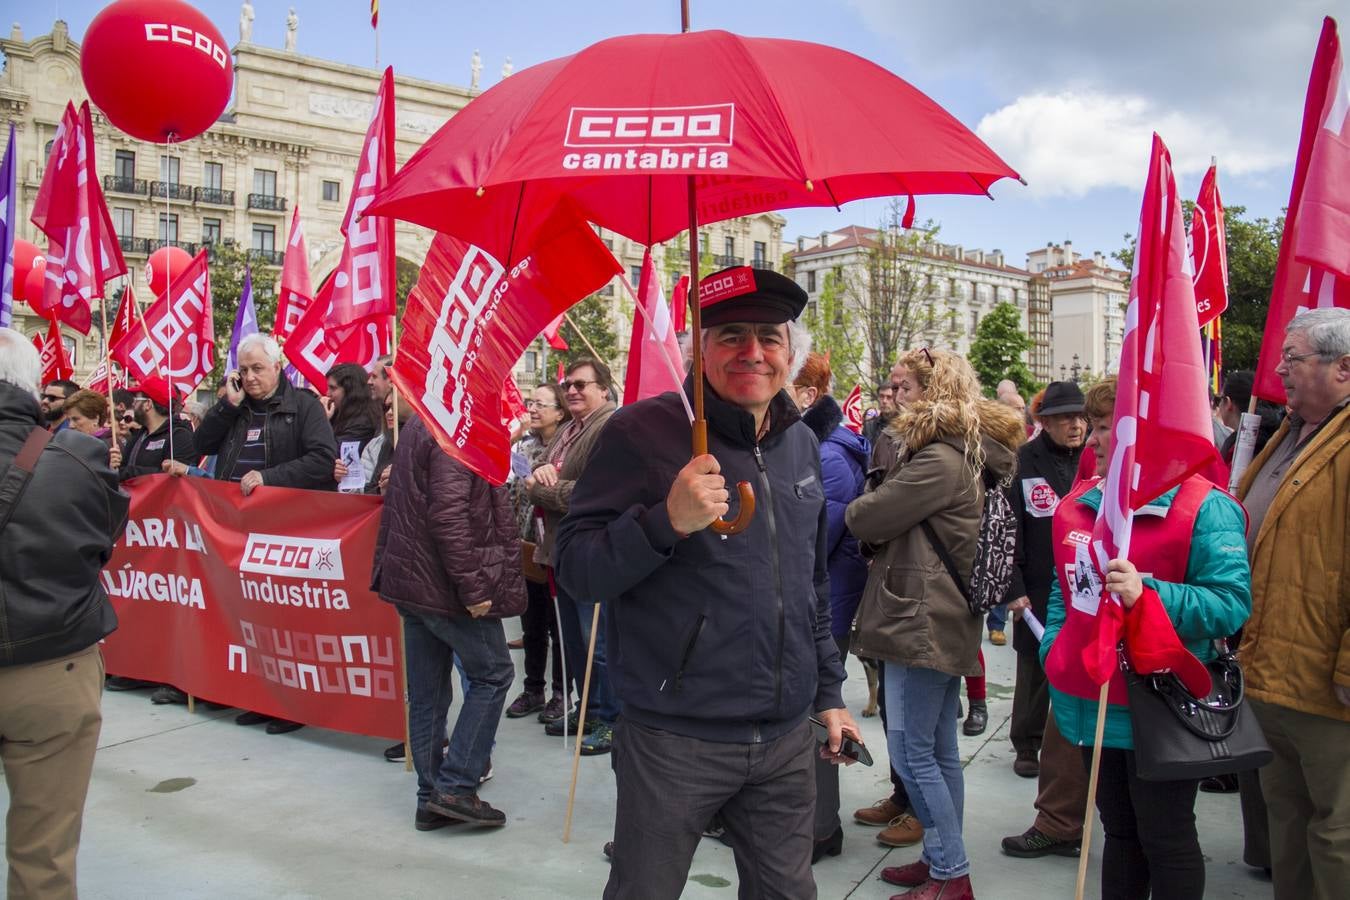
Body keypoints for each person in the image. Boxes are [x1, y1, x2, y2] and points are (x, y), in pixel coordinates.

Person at [555, 267, 858, 899]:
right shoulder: (640, 433)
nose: (752, 353)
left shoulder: (801, 445)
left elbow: (808, 587)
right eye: (731, 336)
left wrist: (828, 692)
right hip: (674, 739)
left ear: (791, 354)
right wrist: (666, 522)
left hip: (784, 739)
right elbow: (578, 569)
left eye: (770, 337)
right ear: (698, 351)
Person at [1042, 376, 1251, 900]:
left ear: (1145, 434)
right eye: (1093, 426)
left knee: (1167, 838)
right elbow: (1061, 586)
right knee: (1119, 832)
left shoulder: (1207, 507)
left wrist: (1146, 592)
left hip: (1163, 706)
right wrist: (1056, 648)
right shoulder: (1083, 501)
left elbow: (1230, 605)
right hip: (1092, 700)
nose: (1091, 439)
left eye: (1108, 426)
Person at [847, 348, 1024, 900]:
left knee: (912, 752)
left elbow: (864, 515)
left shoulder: (939, 459)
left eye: (904, 386)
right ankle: (943, 858)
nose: (895, 395)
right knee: (938, 751)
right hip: (934, 616)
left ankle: (951, 873)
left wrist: (870, 497)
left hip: (919, 619)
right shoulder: (957, 452)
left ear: (933, 391)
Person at [0, 327, 129, 897]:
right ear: (34, 389)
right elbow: (104, 537)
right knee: (44, 855)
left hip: (49, 660)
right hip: (52, 671)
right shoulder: (77, 459)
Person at [1235, 307, 1349, 900]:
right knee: (1289, 818)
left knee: (1337, 832)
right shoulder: (1288, 431)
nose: (1277, 369)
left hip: (1327, 688)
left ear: (1344, 368)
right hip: (1271, 672)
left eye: (1292, 358)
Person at [372, 412, 524, 830]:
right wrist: (474, 589)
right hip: (444, 586)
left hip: (415, 580)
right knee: (493, 674)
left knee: (428, 694)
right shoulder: (455, 423)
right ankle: (454, 787)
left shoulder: (425, 420)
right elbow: (448, 516)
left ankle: (430, 797)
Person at [194, 332, 336, 734]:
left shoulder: (303, 407)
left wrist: (269, 479)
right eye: (244, 371)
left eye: (259, 368)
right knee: (252, 620)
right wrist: (226, 405)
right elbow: (199, 444)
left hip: (286, 531)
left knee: (287, 622)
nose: (252, 377)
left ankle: (293, 706)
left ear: (278, 367)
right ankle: (262, 696)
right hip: (239, 532)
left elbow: (323, 460)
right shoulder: (235, 409)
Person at [999, 381, 1090, 859]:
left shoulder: (1093, 463)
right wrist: (1011, 588)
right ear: (1045, 421)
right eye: (1065, 418)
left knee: (1073, 674)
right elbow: (1008, 527)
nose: (1075, 425)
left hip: (1082, 589)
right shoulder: (1022, 463)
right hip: (1034, 589)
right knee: (1033, 670)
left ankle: (1067, 746)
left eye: (1080, 417)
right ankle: (1026, 743)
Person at [790, 352, 870, 864]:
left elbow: (813, 544)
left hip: (825, 608)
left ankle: (821, 830)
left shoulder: (828, 456)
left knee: (821, 719)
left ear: (807, 396)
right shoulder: (817, 448)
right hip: (816, 604)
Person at [525, 357, 620, 755]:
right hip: (561, 551)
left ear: (604, 389)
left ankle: (611, 720)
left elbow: (592, 493)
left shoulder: (611, 427)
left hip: (592, 551)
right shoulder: (569, 428)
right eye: (569, 385)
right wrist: (541, 477)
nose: (573, 391)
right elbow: (537, 467)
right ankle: (588, 709)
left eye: (582, 384)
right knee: (575, 644)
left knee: (596, 642)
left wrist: (542, 488)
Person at [504, 383, 572, 721]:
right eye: (531, 403)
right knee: (530, 624)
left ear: (560, 412)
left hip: (558, 549)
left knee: (559, 626)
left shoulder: (568, 448)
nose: (532, 409)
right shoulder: (524, 447)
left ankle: (562, 693)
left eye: (541, 404)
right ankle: (533, 688)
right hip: (526, 547)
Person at [109, 376, 196, 483]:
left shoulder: (179, 436)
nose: (132, 404)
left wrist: (129, 472)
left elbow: (175, 477)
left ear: (148, 404)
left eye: (136, 400)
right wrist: (115, 464)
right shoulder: (139, 435)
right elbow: (122, 471)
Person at [323, 363, 383, 492]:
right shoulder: (340, 415)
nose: (328, 394)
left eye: (333, 388)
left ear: (350, 390)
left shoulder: (362, 421)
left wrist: (322, 423)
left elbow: (332, 454)